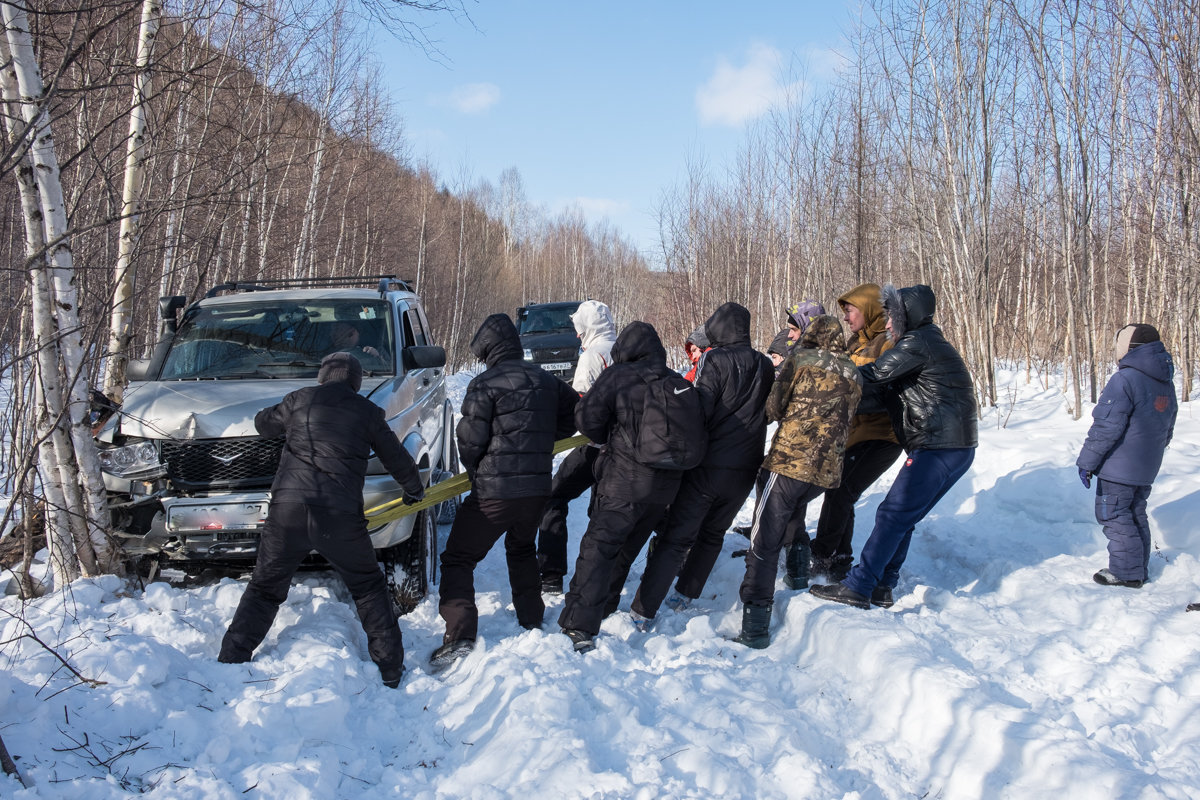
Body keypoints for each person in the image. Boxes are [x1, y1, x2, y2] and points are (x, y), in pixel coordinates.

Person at [218, 352, 425, 688]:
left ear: (322, 376)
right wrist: (414, 490)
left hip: (288, 513)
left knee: (265, 587)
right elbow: (396, 457)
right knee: (369, 587)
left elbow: (262, 424)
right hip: (340, 516)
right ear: (356, 383)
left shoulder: (299, 400)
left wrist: (279, 416)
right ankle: (390, 670)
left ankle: (232, 657)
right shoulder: (368, 411)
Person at [810, 284, 977, 610]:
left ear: (907, 316)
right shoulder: (925, 344)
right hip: (952, 447)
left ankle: (859, 587)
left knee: (891, 513)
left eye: (892, 317)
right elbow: (881, 395)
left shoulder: (917, 343)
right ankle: (883, 586)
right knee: (903, 518)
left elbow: (872, 374)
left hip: (939, 447)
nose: (887, 324)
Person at [431, 314, 578, 669]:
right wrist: (542, 441)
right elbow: (576, 415)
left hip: (494, 492)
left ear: (489, 352)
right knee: (523, 547)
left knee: (458, 559)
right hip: (538, 489)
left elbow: (469, 441)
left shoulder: (484, 385)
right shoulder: (547, 381)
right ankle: (531, 618)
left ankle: (461, 635)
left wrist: (477, 470)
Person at [628, 302, 774, 626]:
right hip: (746, 468)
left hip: (710, 466)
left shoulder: (715, 359)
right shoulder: (764, 364)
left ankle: (643, 609)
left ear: (719, 327)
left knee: (677, 536)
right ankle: (684, 594)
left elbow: (700, 408)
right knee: (713, 534)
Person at [558, 321, 689, 652]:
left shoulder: (619, 376)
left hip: (623, 483)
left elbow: (586, 419)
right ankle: (605, 606)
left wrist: (608, 439)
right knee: (627, 548)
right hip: (665, 488)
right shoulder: (676, 382)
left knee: (598, 549)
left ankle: (579, 624)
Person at [733, 316, 862, 647]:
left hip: (791, 461)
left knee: (764, 540)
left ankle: (755, 624)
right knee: (791, 512)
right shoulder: (853, 371)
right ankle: (799, 574)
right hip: (827, 471)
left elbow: (773, 408)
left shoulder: (801, 360)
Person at [806, 283, 904, 582]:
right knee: (839, 491)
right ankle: (840, 556)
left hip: (881, 436)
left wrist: (840, 399)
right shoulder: (854, 344)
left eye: (850, 311)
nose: (846, 318)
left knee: (841, 491)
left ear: (869, 309)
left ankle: (823, 554)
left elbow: (882, 391)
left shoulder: (887, 344)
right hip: (855, 434)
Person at [1076, 324, 1177, 588]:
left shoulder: (1125, 379)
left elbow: (1106, 426)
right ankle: (1137, 568)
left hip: (1120, 467)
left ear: (1128, 348)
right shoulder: (1164, 380)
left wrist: (1087, 462)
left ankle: (1126, 573)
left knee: (1114, 515)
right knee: (1134, 513)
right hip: (1147, 466)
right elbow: (1168, 425)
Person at [535, 300, 618, 594]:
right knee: (603, 510)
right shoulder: (624, 349)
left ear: (587, 327)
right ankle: (601, 575)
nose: (577, 336)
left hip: (595, 445)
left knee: (553, 498)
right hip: (625, 449)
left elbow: (582, 404)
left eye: (578, 329)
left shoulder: (592, 356)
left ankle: (551, 575)